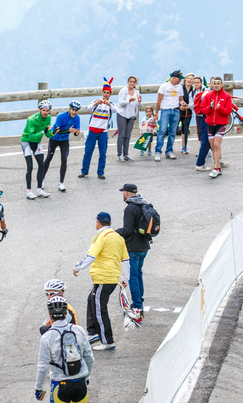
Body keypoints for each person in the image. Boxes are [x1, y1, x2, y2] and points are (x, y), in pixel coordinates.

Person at [72, 212, 130, 351]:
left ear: (97, 222)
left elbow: (91, 255)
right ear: (110, 223)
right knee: (91, 300)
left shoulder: (100, 236)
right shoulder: (118, 237)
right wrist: (125, 278)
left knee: (99, 309)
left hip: (104, 278)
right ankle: (93, 333)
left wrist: (78, 267)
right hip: (111, 278)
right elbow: (125, 259)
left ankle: (107, 341)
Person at [34, 295, 94, 403]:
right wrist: (87, 377)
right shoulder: (79, 330)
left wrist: (39, 388)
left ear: (49, 314)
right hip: (80, 382)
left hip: (60, 384)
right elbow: (89, 358)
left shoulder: (47, 337)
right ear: (66, 313)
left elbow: (43, 366)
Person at [115, 183, 150, 324]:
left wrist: (113, 232)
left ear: (127, 193)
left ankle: (137, 307)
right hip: (144, 246)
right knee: (138, 274)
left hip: (133, 248)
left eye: (123, 192)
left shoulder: (130, 208)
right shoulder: (143, 204)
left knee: (133, 277)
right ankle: (140, 303)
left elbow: (127, 230)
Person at [79, 78, 117, 180]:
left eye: (108, 93)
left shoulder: (111, 105)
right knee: (88, 151)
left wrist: (109, 104)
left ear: (110, 94)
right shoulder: (96, 101)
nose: (105, 94)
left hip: (103, 132)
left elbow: (116, 110)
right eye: (104, 92)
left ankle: (100, 172)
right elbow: (89, 108)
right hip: (92, 130)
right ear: (102, 92)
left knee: (102, 153)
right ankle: (84, 171)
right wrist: (96, 103)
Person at [44, 101, 82, 192]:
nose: (74, 112)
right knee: (49, 157)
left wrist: (76, 133)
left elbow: (75, 131)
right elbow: (58, 131)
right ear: (69, 109)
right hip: (54, 138)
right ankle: (42, 179)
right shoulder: (61, 116)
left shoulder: (77, 118)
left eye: (76, 111)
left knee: (64, 159)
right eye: (72, 110)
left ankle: (61, 182)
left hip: (64, 140)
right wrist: (69, 131)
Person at [199, 77, 232, 178]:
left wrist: (220, 108)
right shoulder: (208, 95)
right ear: (212, 85)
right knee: (213, 146)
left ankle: (216, 167)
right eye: (215, 83)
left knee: (217, 145)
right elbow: (203, 110)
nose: (216, 85)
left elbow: (228, 111)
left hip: (220, 124)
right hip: (210, 124)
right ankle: (217, 168)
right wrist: (211, 107)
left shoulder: (226, 96)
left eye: (218, 83)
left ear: (222, 84)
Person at [22, 100, 55, 199]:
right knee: (30, 166)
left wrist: (53, 132)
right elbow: (31, 136)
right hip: (26, 141)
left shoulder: (48, 117)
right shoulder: (31, 119)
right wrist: (43, 131)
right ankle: (29, 191)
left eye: (47, 110)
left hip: (36, 142)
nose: (45, 112)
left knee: (42, 165)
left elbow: (48, 134)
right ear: (39, 110)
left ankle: (39, 189)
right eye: (43, 110)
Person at [153, 70, 186, 162]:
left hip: (176, 110)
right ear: (174, 78)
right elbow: (159, 101)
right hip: (165, 110)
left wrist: (182, 103)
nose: (180, 80)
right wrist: (156, 113)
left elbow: (180, 99)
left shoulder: (179, 87)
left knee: (172, 132)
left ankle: (169, 150)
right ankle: (158, 151)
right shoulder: (164, 86)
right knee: (162, 131)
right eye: (179, 79)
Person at [116, 76, 141, 162]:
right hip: (122, 114)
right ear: (127, 82)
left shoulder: (137, 92)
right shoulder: (123, 91)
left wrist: (139, 102)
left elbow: (139, 106)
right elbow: (121, 103)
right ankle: (119, 154)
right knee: (121, 135)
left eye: (134, 82)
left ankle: (126, 154)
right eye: (131, 82)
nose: (132, 83)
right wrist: (129, 100)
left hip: (132, 115)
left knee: (128, 136)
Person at [179, 73, 195, 155]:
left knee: (185, 129)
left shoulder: (194, 90)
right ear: (185, 79)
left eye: (192, 79)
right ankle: (169, 148)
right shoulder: (180, 88)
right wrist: (180, 105)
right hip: (178, 110)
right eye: (188, 78)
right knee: (172, 129)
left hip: (188, 112)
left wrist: (190, 106)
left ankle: (184, 146)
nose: (190, 80)